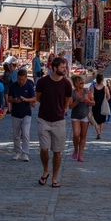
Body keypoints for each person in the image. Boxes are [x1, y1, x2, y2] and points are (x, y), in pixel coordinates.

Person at [36, 56, 73, 188]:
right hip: (43, 119)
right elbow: (38, 97)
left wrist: (65, 107)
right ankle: (46, 170)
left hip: (59, 120)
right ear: (55, 68)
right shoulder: (42, 82)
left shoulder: (66, 83)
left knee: (57, 151)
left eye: (65, 67)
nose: (65, 70)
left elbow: (68, 96)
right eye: (62, 67)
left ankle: (55, 177)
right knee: (44, 149)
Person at [8, 68, 36, 161]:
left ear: (26, 78)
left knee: (25, 133)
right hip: (15, 113)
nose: (21, 81)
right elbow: (9, 99)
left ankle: (25, 153)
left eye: (23, 79)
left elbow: (34, 99)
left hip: (26, 113)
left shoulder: (29, 87)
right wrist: (14, 100)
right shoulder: (13, 86)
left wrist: (26, 100)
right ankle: (17, 152)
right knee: (16, 135)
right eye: (19, 79)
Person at [69, 74, 94, 162]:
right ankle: (76, 149)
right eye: (81, 83)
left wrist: (88, 101)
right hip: (75, 115)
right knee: (76, 135)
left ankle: (80, 154)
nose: (82, 84)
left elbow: (93, 103)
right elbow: (70, 106)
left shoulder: (86, 91)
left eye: (83, 83)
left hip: (85, 115)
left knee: (83, 135)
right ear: (76, 84)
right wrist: (78, 101)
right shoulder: (72, 93)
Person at [90, 72, 110, 139]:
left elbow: (91, 97)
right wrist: (105, 100)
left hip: (95, 106)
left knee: (96, 120)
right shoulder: (105, 88)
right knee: (101, 121)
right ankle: (99, 133)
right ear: (102, 79)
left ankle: (98, 132)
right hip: (102, 106)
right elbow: (108, 96)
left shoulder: (93, 87)